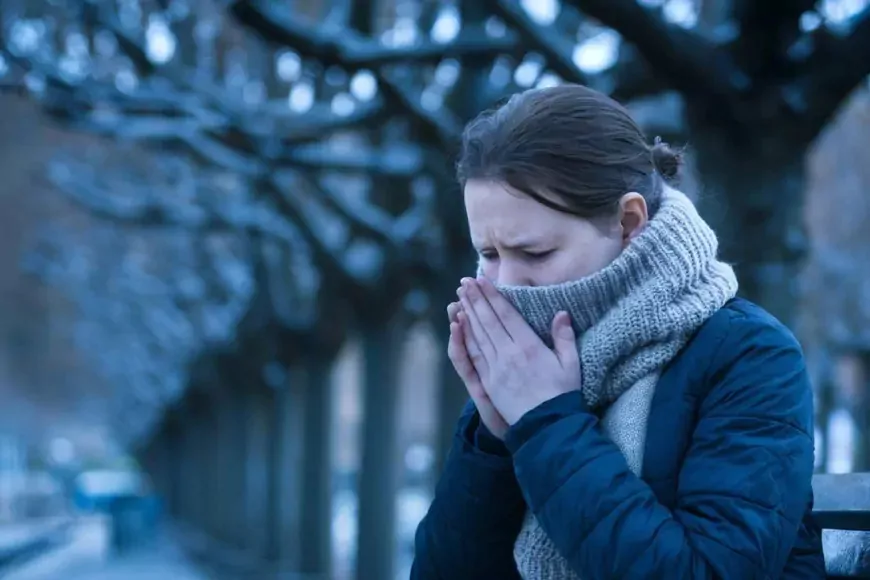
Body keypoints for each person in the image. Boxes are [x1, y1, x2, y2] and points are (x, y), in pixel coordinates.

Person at [410, 84, 825, 579]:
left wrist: (545, 425)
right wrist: (494, 438)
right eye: (490, 255)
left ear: (629, 220)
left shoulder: (751, 356)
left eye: (535, 254)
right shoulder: (527, 365)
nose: (506, 285)